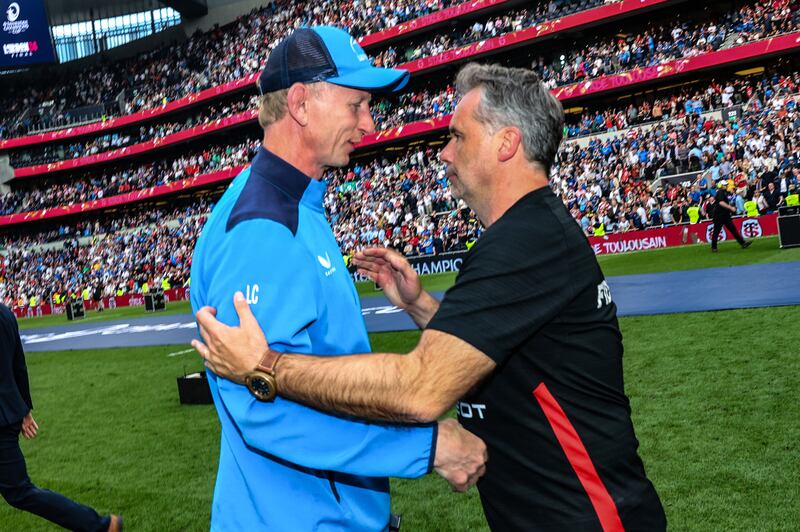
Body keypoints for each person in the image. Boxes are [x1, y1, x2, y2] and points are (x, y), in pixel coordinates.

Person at [193, 63, 667, 531]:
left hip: (589, 515)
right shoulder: (525, 234)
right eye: (356, 105)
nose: (443, 153)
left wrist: (266, 366)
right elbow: (500, 352)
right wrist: (419, 306)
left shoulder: (525, 243)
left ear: (506, 144)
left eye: (458, 136)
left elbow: (419, 388)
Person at [189, 26, 486, 530]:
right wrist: (427, 447)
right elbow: (262, 407)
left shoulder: (295, 203)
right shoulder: (263, 229)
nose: (369, 124)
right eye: (356, 106)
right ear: (301, 104)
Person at [0, 304, 121, 531]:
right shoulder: (6, 313)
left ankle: (100, 526)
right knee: (20, 491)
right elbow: (19, 365)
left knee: (20, 491)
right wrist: (25, 409)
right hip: (8, 412)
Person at [711, 180, 751, 253]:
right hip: (719, 216)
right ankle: (714, 247)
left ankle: (743, 243)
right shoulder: (720, 192)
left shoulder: (724, 192)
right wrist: (730, 208)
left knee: (733, 229)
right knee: (717, 231)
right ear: (722, 186)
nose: (726, 186)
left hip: (725, 215)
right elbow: (721, 202)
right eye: (725, 185)